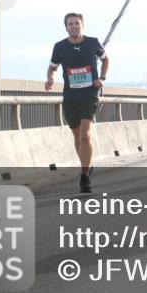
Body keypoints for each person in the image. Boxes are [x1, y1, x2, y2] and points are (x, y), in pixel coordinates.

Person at [46, 12, 109, 193]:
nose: (73, 26)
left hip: (90, 94)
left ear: (82, 25)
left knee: (85, 135)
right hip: (71, 96)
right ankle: (87, 165)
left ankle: (84, 177)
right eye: (70, 24)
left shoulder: (93, 43)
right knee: (76, 136)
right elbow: (52, 68)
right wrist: (50, 79)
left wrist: (103, 78)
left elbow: (106, 60)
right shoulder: (60, 47)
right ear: (66, 27)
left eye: (77, 23)